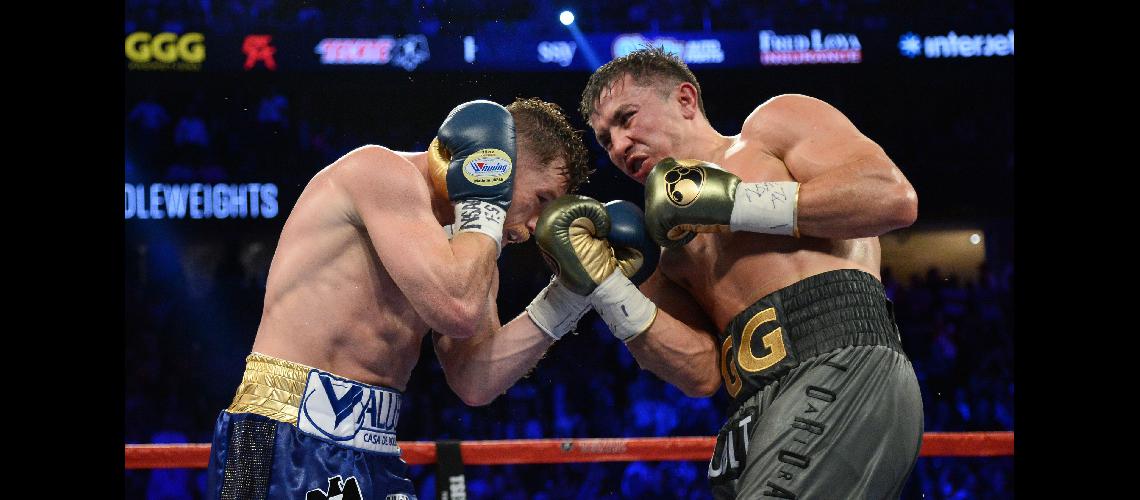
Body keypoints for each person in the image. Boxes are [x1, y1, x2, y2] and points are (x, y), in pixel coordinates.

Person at [561, 46, 924, 498]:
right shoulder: (668, 255)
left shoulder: (771, 129)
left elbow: (890, 198)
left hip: (841, 366)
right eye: (604, 139)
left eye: (626, 117)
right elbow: (701, 375)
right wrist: (608, 286)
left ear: (686, 100)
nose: (617, 146)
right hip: (756, 409)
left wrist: (734, 205)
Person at [205, 97, 594, 500]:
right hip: (282, 432)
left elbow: (475, 380)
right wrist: (485, 208)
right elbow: (457, 310)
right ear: (503, 161)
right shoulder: (379, 172)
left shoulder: (470, 252)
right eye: (543, 199)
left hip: (376, 449)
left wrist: (567, 297)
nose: (533, 228)